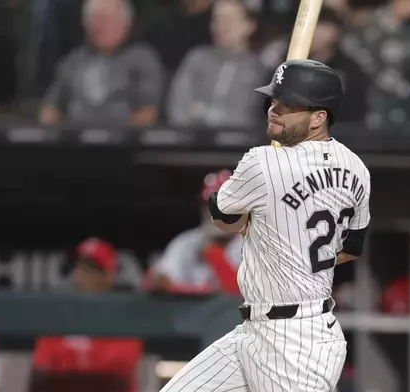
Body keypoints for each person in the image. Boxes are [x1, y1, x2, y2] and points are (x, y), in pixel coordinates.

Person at [160, 59, 371, 391]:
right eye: (274, 100)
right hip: (262, 328)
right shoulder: (356, 167)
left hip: (294, 345)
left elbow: (220, 216)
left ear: (319, 118)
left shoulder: (263, 161)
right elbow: (351, 248)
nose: (274, 109)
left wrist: (257, 226)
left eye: (289, 105)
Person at [29, 237, 143, 392]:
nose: (79, 276)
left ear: (108, 277)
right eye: (78, 268)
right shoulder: (58, 318)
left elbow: (115, 379)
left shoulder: (123, 320)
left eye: (89, 270)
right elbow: (40, 374)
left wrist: (69, 361)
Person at [38, 0, 164, 127]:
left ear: (126, 24)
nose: (100, 26)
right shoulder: (74, 59)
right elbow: (50, 106)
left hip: (123, 141)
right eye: (94, 19)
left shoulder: (142, 58)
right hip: (75, 141)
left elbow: (148, 112)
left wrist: (119, 138)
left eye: (108, 20)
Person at [166, 0, 267, 128]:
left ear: (249, 26)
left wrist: (204, 114)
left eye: (228, 20)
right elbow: (177, 107)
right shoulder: (196, 58)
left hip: (237, 145)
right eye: (216, 20)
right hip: (190, 142)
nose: (220, 27)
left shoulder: (258, 70)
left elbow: (245, 119)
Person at [143, 169, 243, 295]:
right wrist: (160, 281)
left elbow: (245, 292)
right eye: (208, 204)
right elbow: (156, 280)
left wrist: (214, 256)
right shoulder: (186, 242)